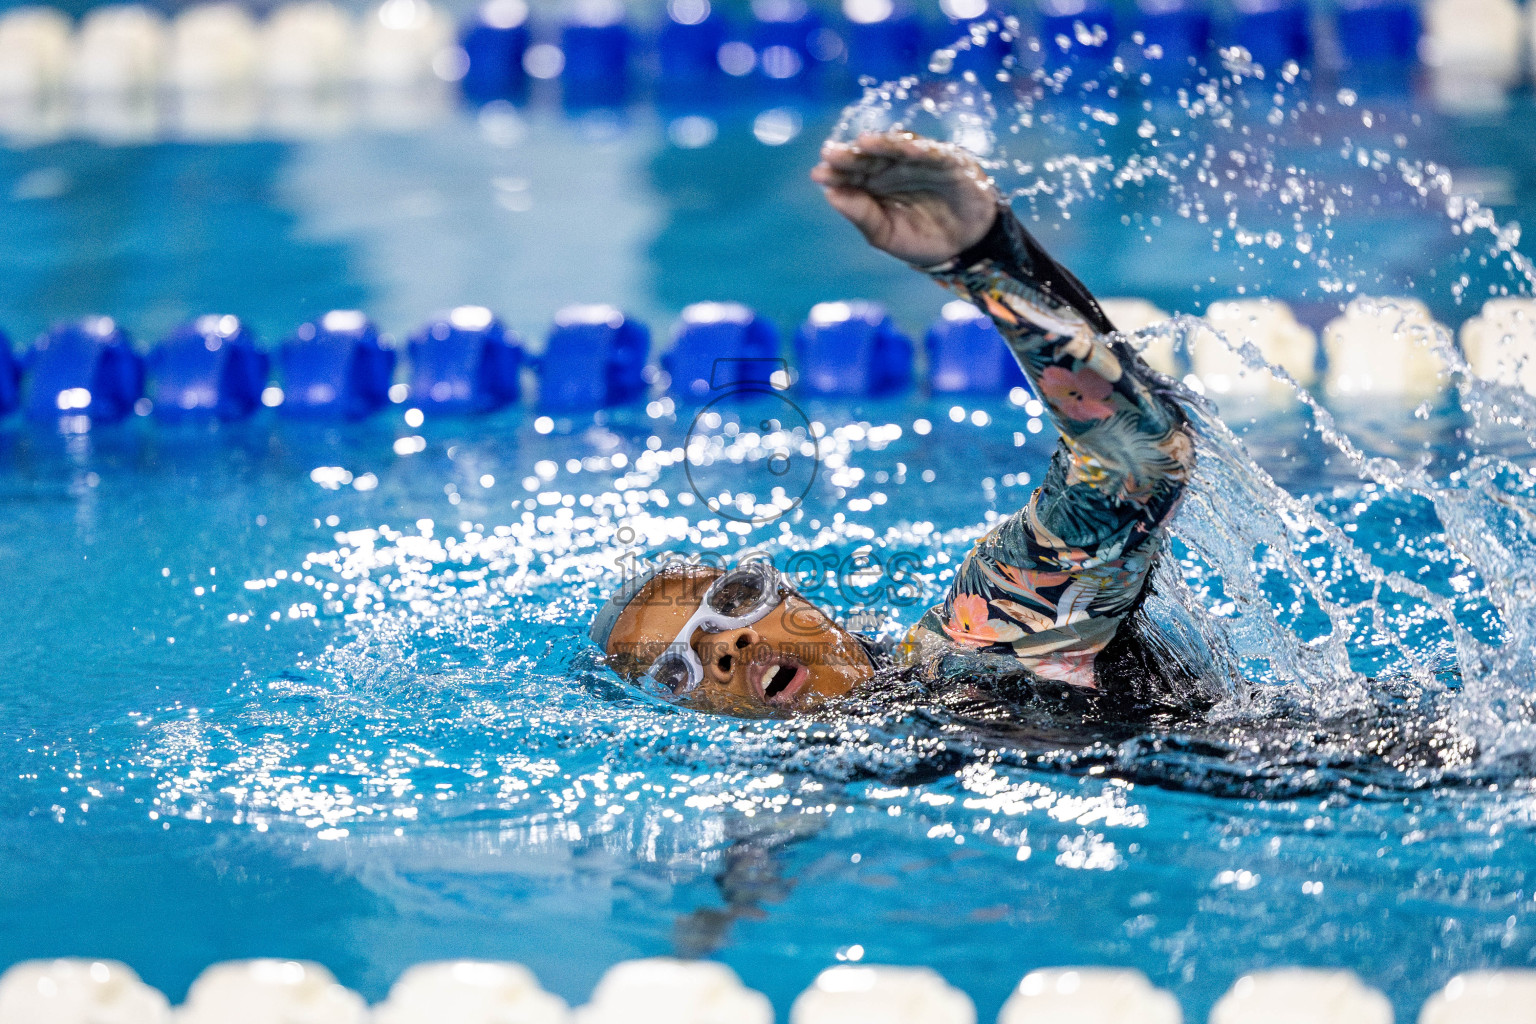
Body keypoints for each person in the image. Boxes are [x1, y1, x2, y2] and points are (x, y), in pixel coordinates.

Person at [589, 129, 1198, 717]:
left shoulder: (975, 644)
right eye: (677, 671)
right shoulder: (796, 798)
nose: (727, 646)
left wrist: (985, 258)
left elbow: (1136, 461)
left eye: (735, 600)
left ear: (805, 604)